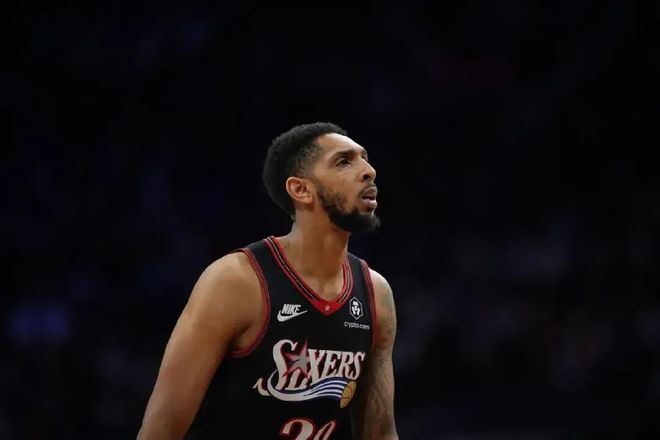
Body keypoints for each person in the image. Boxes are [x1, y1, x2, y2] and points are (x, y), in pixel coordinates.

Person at [137, 122, 398, 439]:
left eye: (365, 159)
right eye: (344, 161)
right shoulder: (236, 281)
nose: (369, 171)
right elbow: (161, 430)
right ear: (301, 190)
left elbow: (380, 432)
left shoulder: (375, 294)